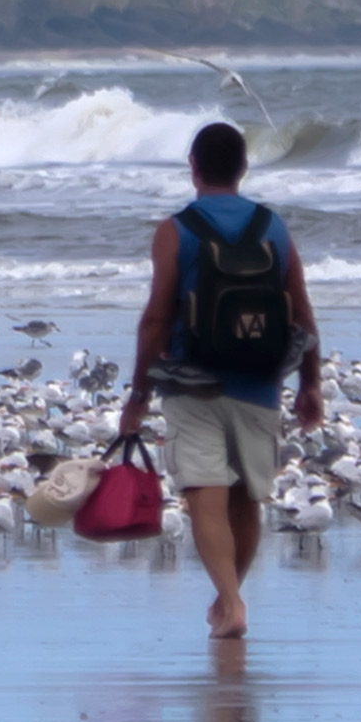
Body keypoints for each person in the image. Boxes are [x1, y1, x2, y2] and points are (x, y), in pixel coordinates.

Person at [111, 119, 321, 638]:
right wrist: (310, 385)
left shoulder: (175, 230)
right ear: (244, 167)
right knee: (246, 496)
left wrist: (139, 394)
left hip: (191, 382)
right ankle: (231, 599)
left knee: (205, 492)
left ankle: (230, 601)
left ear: (193, 168)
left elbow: (156, 318)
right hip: (260, 379)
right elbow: (302, 313)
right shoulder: (273, 227)